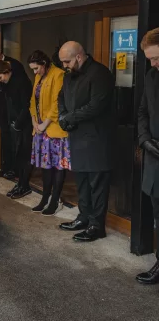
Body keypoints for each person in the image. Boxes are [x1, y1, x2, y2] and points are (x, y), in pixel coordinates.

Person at [58, 41, 115, 242]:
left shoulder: (100, 73)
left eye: (67, 61)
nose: (64, 65)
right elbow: (61, 97)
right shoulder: (69, 74)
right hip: (77, 136)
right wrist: (63, 116)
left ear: (79, 57)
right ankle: (83, 218)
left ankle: (97, 226)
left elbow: (96, 106)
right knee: (81, 182)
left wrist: (69, 118)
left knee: (97, 185)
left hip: (97, 139)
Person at [28, 50, 71, 216]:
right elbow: (33, 100)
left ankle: (55, 200)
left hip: (54, 129)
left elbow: (57, 103)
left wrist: (44, 123)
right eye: (32, 69)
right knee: (46, 167)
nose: (34, 72)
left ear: (44, 64)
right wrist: (34, 121)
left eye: (36, 68)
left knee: (58, 167)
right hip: (39, 128)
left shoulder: (58, 75)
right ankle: (45, 198)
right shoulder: (39, 77)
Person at [136, 27, 159, 284]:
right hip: (155, 158)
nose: (153, 63)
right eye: (150, 59)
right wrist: (144, 140)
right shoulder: (152, 77)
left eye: (157, 58)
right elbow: (142, 111)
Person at [0, 48, 29, 180]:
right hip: (4, 109)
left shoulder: (14, 65)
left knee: (16, 141)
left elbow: (20, 93)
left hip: (16, 109)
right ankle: (6, 167)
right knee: (5, 139)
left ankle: (16, 170)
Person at [0, 60, 33, 199]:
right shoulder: (8, 84)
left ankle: (24, 185)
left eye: (0, 76)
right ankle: (20, 184)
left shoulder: (21, 82)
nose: (0, 80)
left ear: (6, 72)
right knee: (19, 156)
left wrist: (17, 124)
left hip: (24, 124)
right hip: (15, 123)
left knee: (24, 155)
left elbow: (26, 106)